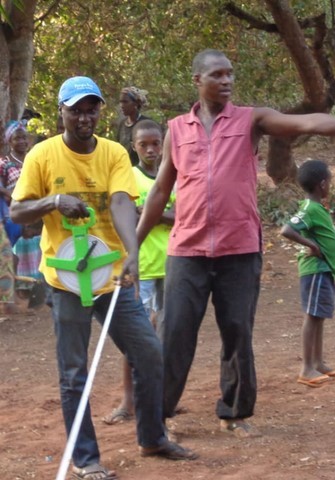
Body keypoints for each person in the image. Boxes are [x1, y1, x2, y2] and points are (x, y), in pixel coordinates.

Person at [136, 48, 335, 439]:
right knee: (175, 334)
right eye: (217, 75)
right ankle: (159, 418)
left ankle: (234, 413)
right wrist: (135, 247)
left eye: (230, 74)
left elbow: (307, 122)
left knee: (237, 333)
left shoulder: (251, 120)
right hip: (187, 250)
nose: (226, 81)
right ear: (198, 80)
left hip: (240, 249)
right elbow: (161, 189)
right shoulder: (177, 129)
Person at [10, 76, 196, 480]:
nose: (84, 116)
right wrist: (54, 201)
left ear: (99, 111)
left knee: (148, 352)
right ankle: (86, 458)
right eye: (76, 109)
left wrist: (131, 253)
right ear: (61, 110)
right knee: (75, 372)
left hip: (110, 277)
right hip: (67, 282)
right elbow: (17, 212)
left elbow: (119, 203)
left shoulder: (113, 153)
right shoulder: (43, 155)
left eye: (91, 108)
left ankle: (151, 437)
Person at [103, 119, 175, 425]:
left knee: (166, 333)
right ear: (134, 146)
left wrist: (151, 213)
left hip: (172, 264)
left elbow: (182, 216)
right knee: (136, 335)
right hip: (140, 266)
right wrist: (160, 213)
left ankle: (162, 398)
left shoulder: (172, 176)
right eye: (143, 144)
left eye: (155, 143)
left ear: (163, 144)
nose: (150, 149)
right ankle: (128, 400)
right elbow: (126, 215)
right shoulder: (129, 178)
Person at [281, 160, 335, 387]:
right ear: (322, 184)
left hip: (324, 270)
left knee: (319, 315)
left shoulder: (318, 208)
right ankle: (306, 368)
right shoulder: (308, 209)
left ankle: (318, 362)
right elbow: (287, 229)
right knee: (312, 316)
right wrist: (311, 246)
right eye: (330, 182)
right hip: (314, 270)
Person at [116, 86, 149, 166]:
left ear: (136, 103)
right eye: (120, 102)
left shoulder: (146, 124)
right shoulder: (122, 124)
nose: (121, 105)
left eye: (125, 102)